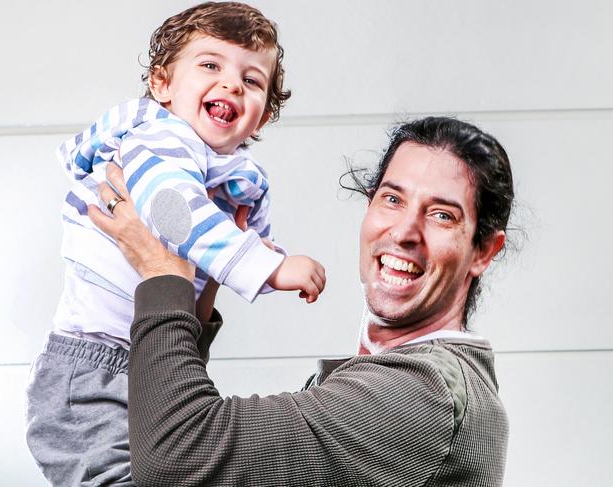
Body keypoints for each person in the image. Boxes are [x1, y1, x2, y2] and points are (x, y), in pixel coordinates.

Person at [89, 116, 514, 486]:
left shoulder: (424, 396)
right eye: (392, 199)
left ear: (483, 252)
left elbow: (176, 460)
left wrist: (165, 267)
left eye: (442, 214)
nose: (404, 231)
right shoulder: (409, 377)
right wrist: (202, 285)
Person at [26, 3, 325, 486]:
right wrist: (266, 269)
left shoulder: (232, 174)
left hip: (148, 355)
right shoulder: (160, 137)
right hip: (93, 370)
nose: (231, 84)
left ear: (263, 116)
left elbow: (232, 243)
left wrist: (259, 253)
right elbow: (172, 211)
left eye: (251, 81)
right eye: (210, 65)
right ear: (163, 85)